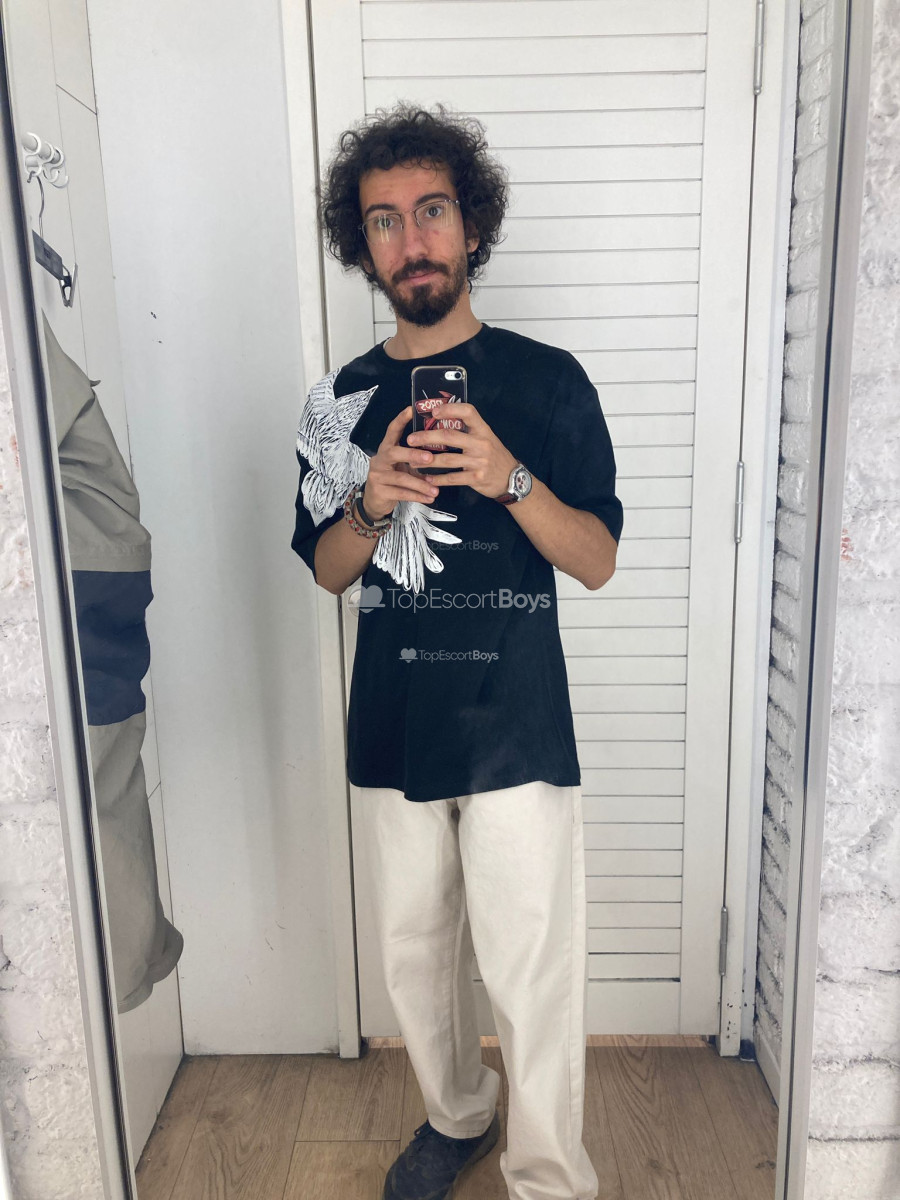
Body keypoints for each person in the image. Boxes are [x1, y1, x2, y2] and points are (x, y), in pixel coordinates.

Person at [291, 102, 623, 1200]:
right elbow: (327, 569)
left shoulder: (549, 380)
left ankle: (549, 1175)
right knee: (414, 959)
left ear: (472, 225)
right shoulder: (338, 402)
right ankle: (457, 1117)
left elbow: (596, 559)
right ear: (363, 247)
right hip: (394, 722)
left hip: (517, 723)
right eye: (383, 222)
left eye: (431, 211)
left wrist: (507, 477)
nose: (411, 240)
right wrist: (371, 503)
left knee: (531, 971)